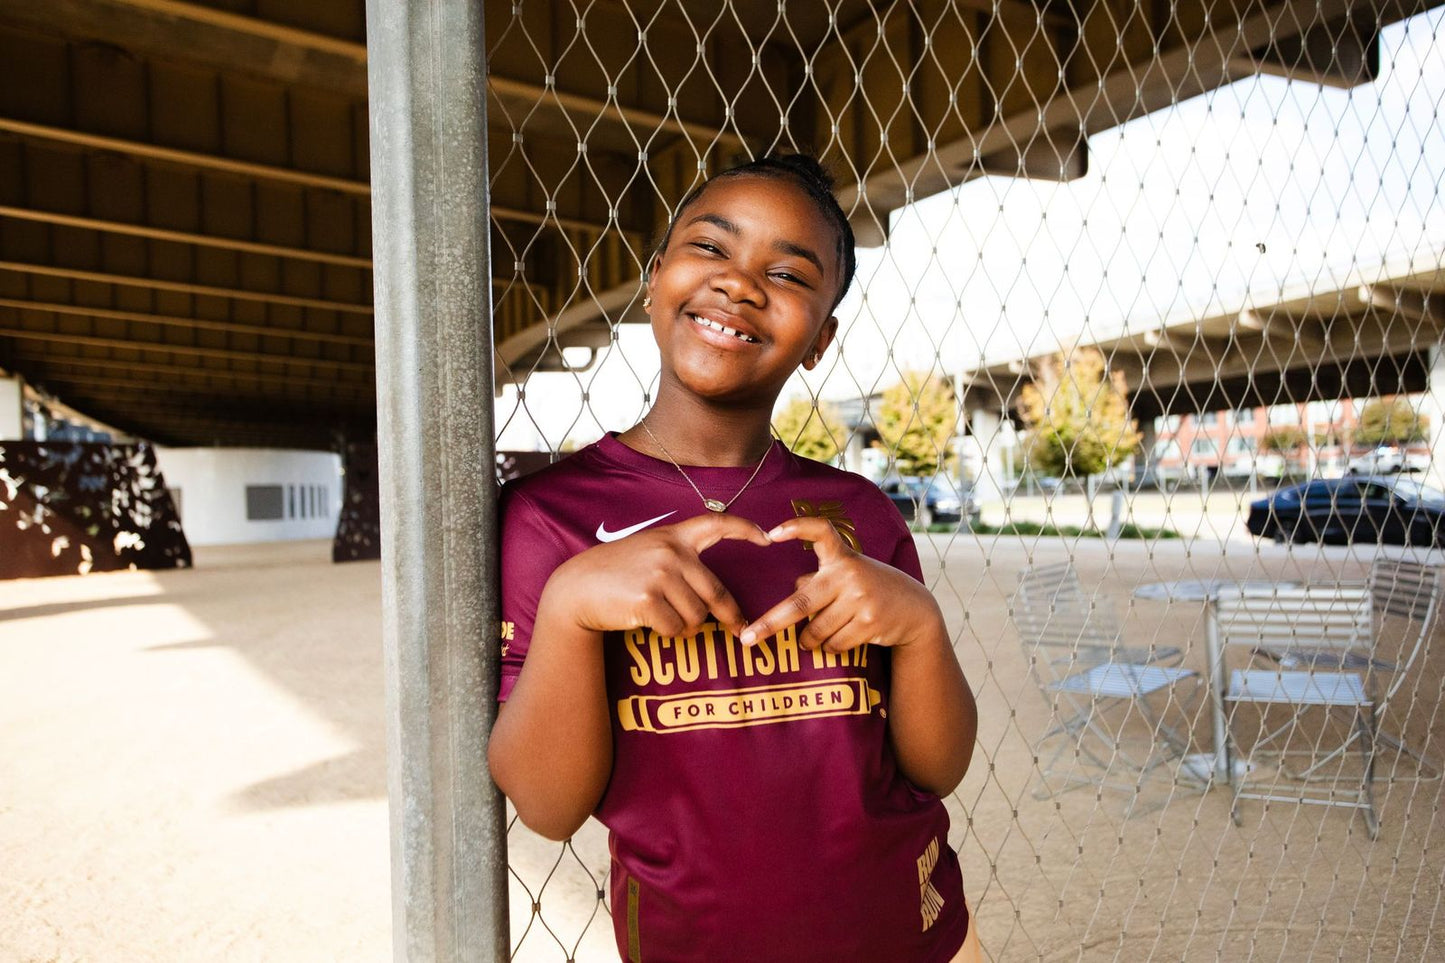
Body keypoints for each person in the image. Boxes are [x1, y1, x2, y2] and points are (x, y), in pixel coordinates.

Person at [488, 154, 980, 963]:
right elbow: (545, 804)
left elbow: (937, 766)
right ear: (654, 282)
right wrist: (575, 603)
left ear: (819, 339)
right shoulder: (553, 515)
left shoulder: (857, 512)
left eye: (786, 272)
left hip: (921, 939)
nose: (740, 284)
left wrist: (920, 628)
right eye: (711, 248)